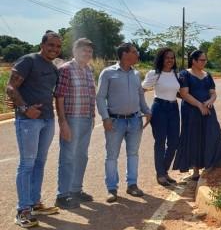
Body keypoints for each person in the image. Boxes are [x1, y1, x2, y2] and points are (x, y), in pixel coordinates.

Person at [7, 30, 62, 227]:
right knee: (27, 164)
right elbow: (10, 87)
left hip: (48, 120)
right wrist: (24, 108)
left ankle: (35, 203)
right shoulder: (28, 60)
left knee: (39, 163)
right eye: (51, 45)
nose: (54, 49)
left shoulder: (53, 68)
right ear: (42, 45)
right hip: (28, 121)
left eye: (58, 46)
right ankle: (22, 210)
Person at [96, 43, 151, 203]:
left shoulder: (135, 74)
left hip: (135, 120)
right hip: (115, 121)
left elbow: (140, 95)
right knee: (112, 156)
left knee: (133, 154)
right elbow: (100, 97)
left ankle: (132, 185)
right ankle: (112, 189)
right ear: (125, 54)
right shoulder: (108, 73)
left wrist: (147, 111)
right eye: (134, 52)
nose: (137, 54)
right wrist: (105, 117)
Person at [54, 37, 97, 210]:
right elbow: (59, 96)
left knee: (82, 156)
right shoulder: (66, 69)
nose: (87, 53)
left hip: (87, 119)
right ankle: (62, 195)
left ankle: (76, 190)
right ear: (75, 51)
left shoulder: (89, 70)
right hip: (71, 119)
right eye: (84, 50)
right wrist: (63, 122)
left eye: (90, 51)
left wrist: (92, 117)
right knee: (68, 158)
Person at [173, 50, 221, 179]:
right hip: (192, 111)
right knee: (194, 138)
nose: (204, 62)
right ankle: (195, 170)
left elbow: (213, 93)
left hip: (208, 110)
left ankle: (210, 164)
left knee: (210, 134)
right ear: (194, 61)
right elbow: (184, 94)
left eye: (205, 60)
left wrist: (210, 101)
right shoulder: (184, 74)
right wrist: (199, 105)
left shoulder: (207, 75)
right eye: (202, 60)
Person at [142, 47, 180, 187]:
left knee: (174, 143)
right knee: (160, 142)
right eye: (167, 57)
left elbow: (179, 92)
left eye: (172, 57)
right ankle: (161, 174)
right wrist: (143, 109)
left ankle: (163, 170)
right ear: (161, 59)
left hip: (174, 108)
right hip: (159, 108)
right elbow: (142, 90)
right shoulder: (154, 74)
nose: (170, 60)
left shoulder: (176, 74)